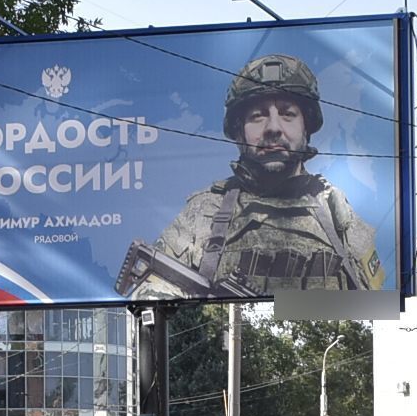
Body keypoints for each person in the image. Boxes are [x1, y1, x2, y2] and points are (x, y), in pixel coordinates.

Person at [120, 50, 384, 298]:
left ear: (307, 128)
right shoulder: (205, 211)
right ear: (239, 132)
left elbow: (376, 309)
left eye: (288, 114)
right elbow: (152, 298)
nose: (273, 127)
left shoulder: (335, 208)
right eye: (257, 116)